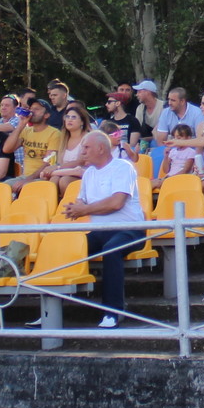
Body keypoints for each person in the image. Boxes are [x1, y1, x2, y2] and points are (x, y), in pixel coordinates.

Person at [64, 130, 145, 329]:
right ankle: (52, 309)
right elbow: (82, 200)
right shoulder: (89, 173)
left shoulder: (123, 167)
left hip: (129, 229)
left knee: (112, 250)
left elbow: (117, 203)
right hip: (99, 230)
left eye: (86, 147)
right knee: (66, 252)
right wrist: (75, 208)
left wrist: (84, 209)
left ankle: (113, 311)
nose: (82, 151)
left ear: (101, 148)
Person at [7, 100, 67, 187]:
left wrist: (28, 180)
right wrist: (20, 125)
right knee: (3, 187)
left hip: (42, 178)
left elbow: (48, 163)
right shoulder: (26, 130)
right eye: (31, 109)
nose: (32, 111)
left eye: (36, 109)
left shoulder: (54, 133)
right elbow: (7, 149)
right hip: (25, 177)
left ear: (46, 115)